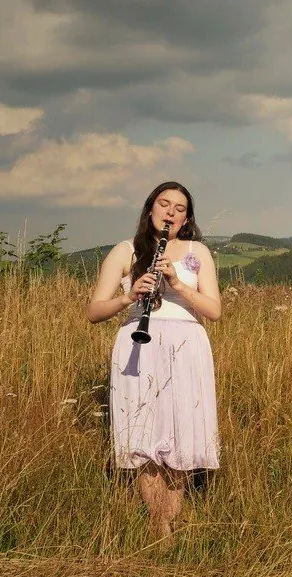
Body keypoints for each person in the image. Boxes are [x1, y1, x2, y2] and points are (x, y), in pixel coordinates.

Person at [87, 181, 221, 538]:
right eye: (165, 204)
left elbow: (215, 311)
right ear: (151, 209)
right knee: (144, 433)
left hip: (187, 345)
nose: (171, 212)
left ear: (187, 218)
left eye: (180, 208)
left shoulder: (198, 252)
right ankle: (158, 525)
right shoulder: (125, 251)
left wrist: (177, 284)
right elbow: (94, 311)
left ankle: (170, 520)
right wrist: (129, 297)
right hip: (138, 345)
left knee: (182, 433)